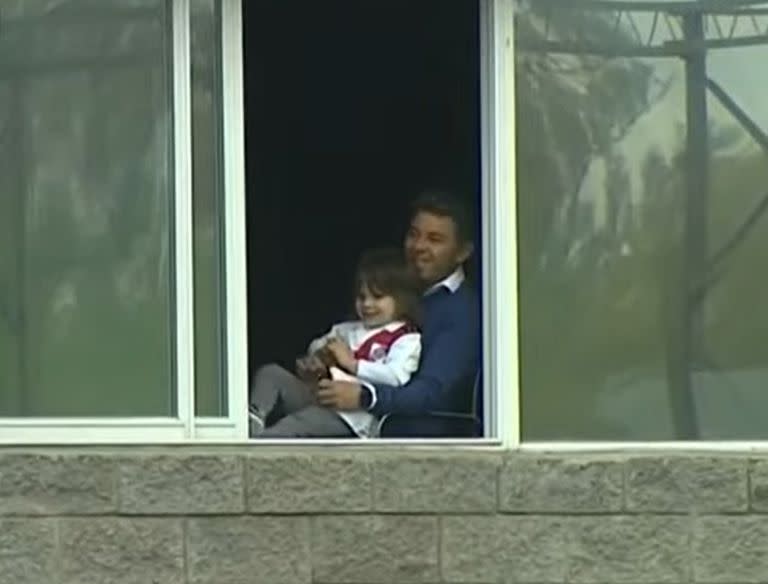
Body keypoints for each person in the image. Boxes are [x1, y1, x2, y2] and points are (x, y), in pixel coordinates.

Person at [314, 189, 480, 437]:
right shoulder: (391, 287)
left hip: (408, 443)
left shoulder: (461, 313)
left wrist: (366, 397)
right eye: (414, 235)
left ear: (462, 252)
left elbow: (430, 395)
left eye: (435, 239)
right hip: (347, 415)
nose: (419, 247)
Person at [249, 248, 422, 438]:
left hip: (351, 417)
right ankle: (251, 423)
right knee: (270, 373)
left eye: (377, 297)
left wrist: (354, 365)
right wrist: (316, 361)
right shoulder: (346, 329)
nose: (367, 304)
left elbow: (396, 377)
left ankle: (254, 449)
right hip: (318, 396)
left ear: (403, 297)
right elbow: (316, 346)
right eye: (361, 297)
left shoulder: (406, 338)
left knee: (293, 425)